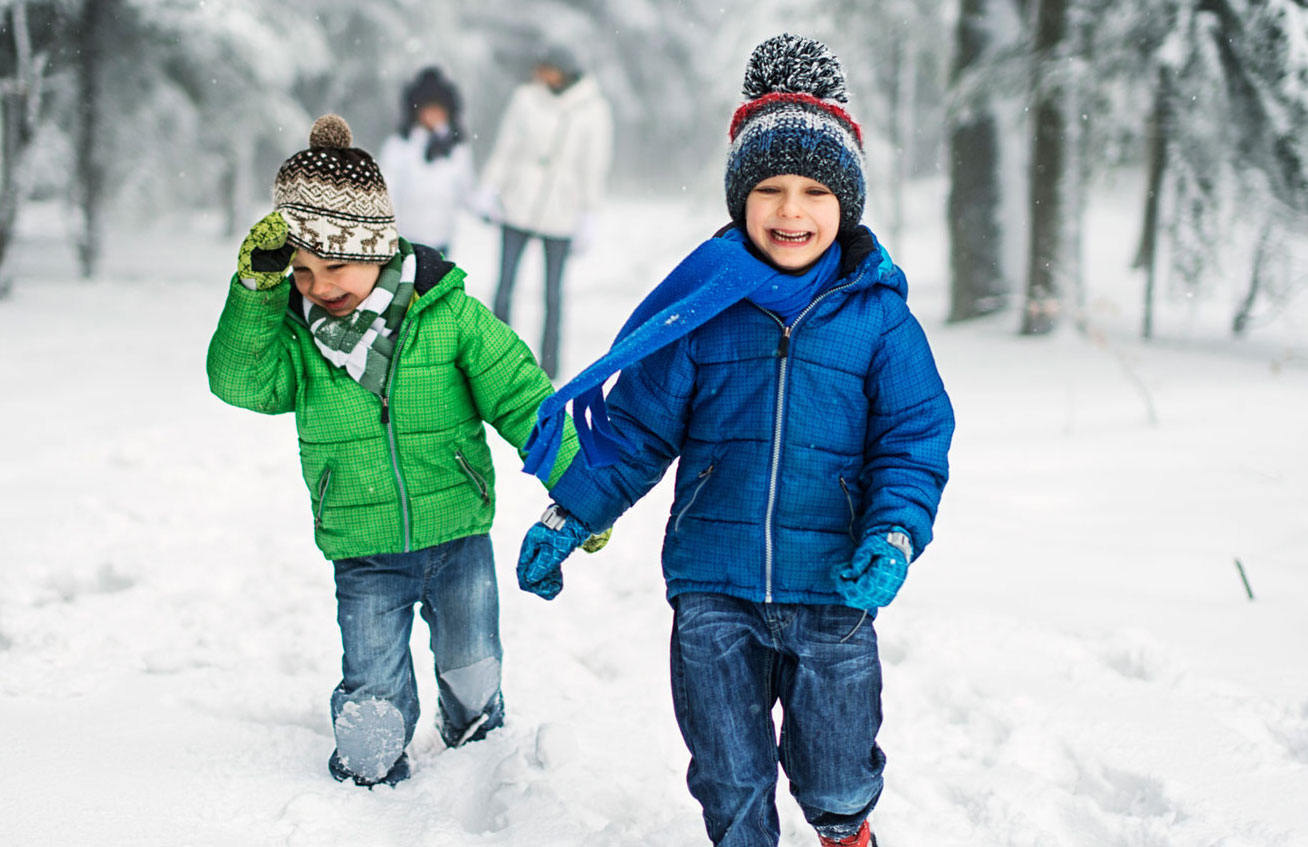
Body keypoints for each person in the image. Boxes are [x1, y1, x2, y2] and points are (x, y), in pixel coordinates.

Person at [513, 35, 954, 847]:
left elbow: (914, 440)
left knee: (837, 768)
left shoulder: (879, 319)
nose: (793, 211)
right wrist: (569, 513)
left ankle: (844, 828)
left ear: (846, 204)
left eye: (816, 191)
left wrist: (894, 530)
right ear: (740, 200)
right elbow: (639, 430)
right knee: (727, 769)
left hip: (835, 590)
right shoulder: (703, 311)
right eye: (772, 189)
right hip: (713, 587)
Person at [206, 114, 582, 788]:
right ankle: (371, 754)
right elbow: (239, 381)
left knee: (473, 665)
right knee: (372, 688)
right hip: (363, 547)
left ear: (377, 246)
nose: (319, 285)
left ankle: (475, 744)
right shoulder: (297, 340)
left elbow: (526, 400)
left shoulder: (450, 316)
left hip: (458, 535)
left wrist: (586, 488)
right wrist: (257, 293)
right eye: (300, 270)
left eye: (336, 264)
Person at [474, 43, 614, 379]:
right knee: (504, 285)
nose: (539, 74)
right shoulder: (525, 99)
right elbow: (506, 146)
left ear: (563, 71)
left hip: (562, 211)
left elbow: (595, 165)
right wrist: (489, 187)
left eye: (546, 67)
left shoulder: (593, 109)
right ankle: (495, 358)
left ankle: (550, 366)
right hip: (518, 202)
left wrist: (589, 215)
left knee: (553, 293)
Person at [378, 66, 475, 258]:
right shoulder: (399, 146)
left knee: (437, 287)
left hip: (442, 237)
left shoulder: (457, 148)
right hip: (405, 238)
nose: (433, 115)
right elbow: (387, 189)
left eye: (438, 109)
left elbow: (467, 189)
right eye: (428, 109)